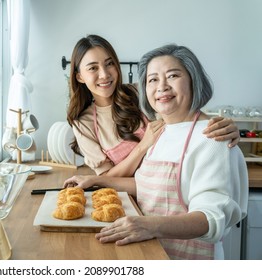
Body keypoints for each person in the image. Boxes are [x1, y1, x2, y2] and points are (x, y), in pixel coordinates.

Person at [64, 44, 249, 260]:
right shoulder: (161, 132)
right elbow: (149, 186)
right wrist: (95, 181)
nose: (161, 87)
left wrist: (150, 226)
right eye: (152, 80)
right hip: (150, 252)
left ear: (193, 80)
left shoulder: (212, 139)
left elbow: (211, 218)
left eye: (172, 76)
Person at [67, 35, 240, 177]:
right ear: (80, 77)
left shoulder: (140, 91)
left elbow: (184, 113)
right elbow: (105, 179)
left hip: (170, 187)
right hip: (125, 200)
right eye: (93, 68)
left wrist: (218, 126)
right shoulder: (83, 123)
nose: (104, 74)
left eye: (109, 63)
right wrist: (144, 144)